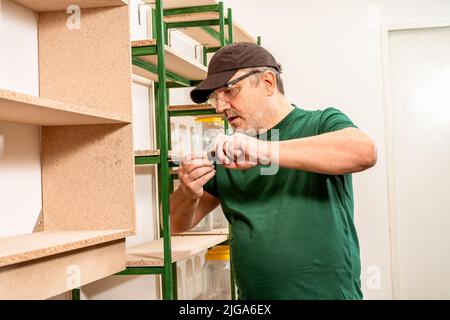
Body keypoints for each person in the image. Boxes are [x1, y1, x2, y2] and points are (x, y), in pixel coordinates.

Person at [169, 42, 377, 299]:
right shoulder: (227, 150)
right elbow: (175, 224)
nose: (220, 107)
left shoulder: (320, 123)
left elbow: (364, 152)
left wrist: (263, 150)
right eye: (215, 97)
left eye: (229, 91)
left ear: (267, 82)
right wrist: (188, 191)